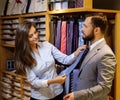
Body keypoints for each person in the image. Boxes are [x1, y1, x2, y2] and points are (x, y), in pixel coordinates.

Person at [14, 21, 87, 100]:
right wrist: (53, 81)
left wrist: (76, 53)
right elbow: (34, 82)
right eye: (30, 36)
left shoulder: (47, 46)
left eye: (35, 32)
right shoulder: (24, 56)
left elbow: (65, 59)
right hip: (41, 97)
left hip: (58, 92)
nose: (35, 36)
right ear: (24, 39)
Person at [63, 13, 116, 100]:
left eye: (85, 26)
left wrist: (77, 95)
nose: (81, 29)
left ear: (96, 30)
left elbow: (104, 87)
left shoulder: (106, 54)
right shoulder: (89, 48)